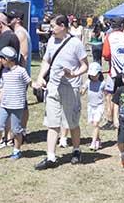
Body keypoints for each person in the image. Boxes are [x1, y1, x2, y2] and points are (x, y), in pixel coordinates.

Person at [34, 15, 88, 170]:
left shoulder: (75, 43)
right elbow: (47, 60)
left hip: (70, 87)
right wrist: (40, 76)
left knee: (72, 122)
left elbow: (85, 65)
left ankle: (76, 150)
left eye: (53, 26)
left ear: (62, 26)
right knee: (52, 123)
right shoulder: (51, 41)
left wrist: (74, 73)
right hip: (53, 87)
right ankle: (51, 157)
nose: (50, 29)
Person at [0, 46, 32, 162]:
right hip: (5, 105)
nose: (0, 60)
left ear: (7, 59)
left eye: (1, 58)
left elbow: (30, 82)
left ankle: (17, 151)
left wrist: (38, 85)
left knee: (16, 130)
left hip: (17, 106)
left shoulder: (21, 71)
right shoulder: (5, 72)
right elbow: (3, 89)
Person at [102, 17, 124, 130]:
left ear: (112, 26)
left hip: (113, 72)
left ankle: (110, 120)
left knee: (110, 95)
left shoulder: (109, 37)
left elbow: (106, 55)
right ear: (123, 26)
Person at [7, 9, 32, 135]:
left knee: (20, 103)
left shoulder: (20, 33)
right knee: (23, 102)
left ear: (18, 20)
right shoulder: (18, 32)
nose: (8, 20)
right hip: (20, 73)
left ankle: (20, 131)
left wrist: (18, 73)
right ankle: (21, 130)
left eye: (11, 18)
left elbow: (24, 55)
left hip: (20, 74)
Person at [81, 62, 106, 151]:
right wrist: (81, 90)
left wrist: (108, 107)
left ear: (99, 74)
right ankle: (98, 140)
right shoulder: (88, 82)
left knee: (96, 124)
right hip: (91, 106)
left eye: (94, 75)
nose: (93, 77)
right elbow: (83, 92)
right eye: (91, 75)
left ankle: (93, 142)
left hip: (99, 106)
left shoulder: (103, 83)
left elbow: (107, 95)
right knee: (94, 125)